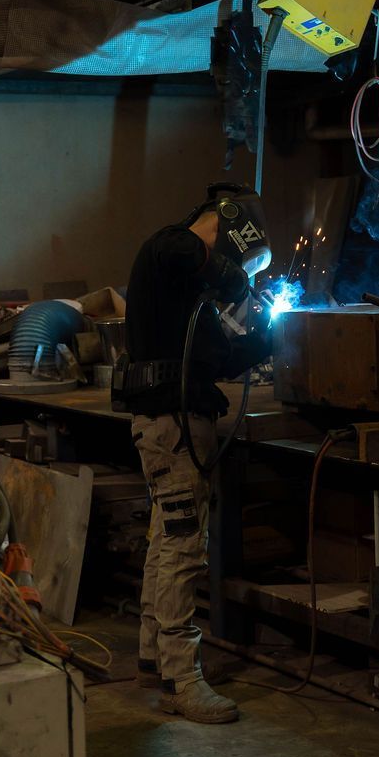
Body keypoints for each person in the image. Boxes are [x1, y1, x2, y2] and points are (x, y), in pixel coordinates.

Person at [116, 184, 273, 724]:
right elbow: (180, 249)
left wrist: (267, 336)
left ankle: (153, 659)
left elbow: (218, 360)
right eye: (237, 258)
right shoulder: (170, 249)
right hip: (172, 427)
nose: (235, 271)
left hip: (179, 423)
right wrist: (231, 275)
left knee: (166, 544)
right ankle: (184, 679)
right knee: (184, 553)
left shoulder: (186, 293)